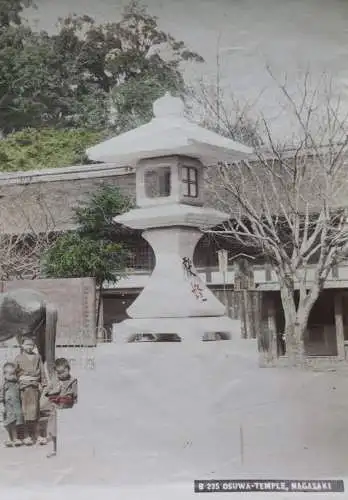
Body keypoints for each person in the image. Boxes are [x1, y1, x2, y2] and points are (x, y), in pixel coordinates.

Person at [14, 338, 46, 445]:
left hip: (35, 387)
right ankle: (26, 435)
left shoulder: (38, 357)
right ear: (22, 346)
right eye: (27, 345)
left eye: (31, 345)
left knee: (36, 412)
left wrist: (43, 383)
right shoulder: (18, 358)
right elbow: (14, 372)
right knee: (25, 412)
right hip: (24, 388)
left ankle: (37, 434)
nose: (29, 347)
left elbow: (41, 370)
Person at [43, 357, 78, 458]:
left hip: (68, 409)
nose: (61, 375)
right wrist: (55, 390)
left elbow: (75, 396)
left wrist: (70, 395)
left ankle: (68, 449)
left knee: (68, 430)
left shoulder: (73, 381)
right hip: (56, 410)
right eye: (58, 373)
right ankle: (55, 449)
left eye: (63, 372)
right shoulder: (55, 381)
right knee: (54, 431)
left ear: (68, 369)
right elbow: (47, 394)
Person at [0, 362, 24, 447]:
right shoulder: (4, 384)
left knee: (14, 423)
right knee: (7, 423)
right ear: (4, 374)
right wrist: (2, 405)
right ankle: (8, 439)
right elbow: (1, 395)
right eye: (10, 374)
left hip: (16, 406)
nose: (13, 376)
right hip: (8, 406)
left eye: (14, 374)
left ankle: (15, 438)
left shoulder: (16, 383)